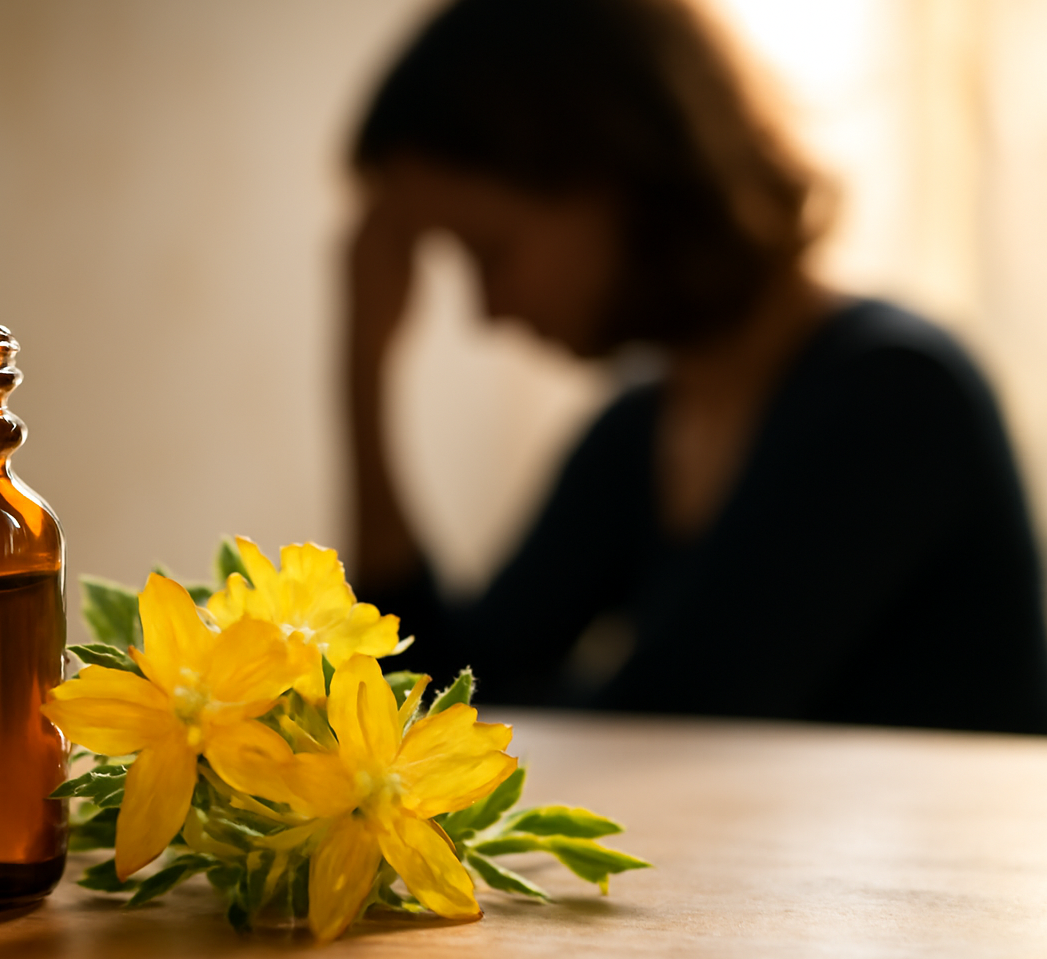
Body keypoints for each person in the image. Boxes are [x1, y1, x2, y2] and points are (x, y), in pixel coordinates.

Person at [345, 0, 1047, 733]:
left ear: (615, 175)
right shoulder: (640, 432)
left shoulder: (897, 398)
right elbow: (440, 694)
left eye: (489, 254)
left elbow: (673, 719)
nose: (488, 310)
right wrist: (363, 372)